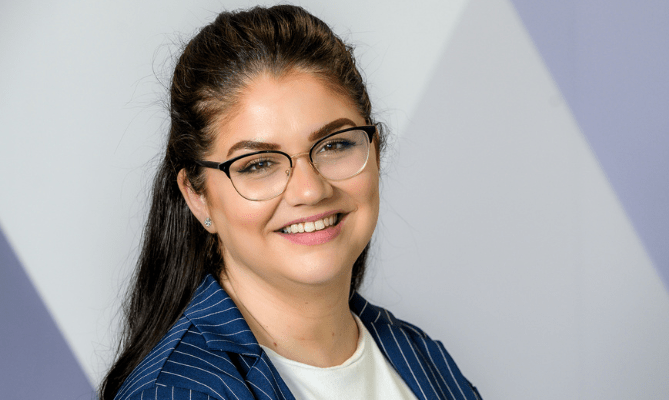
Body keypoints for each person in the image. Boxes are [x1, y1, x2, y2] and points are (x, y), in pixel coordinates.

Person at [100, 5, 481, 400]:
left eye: (335, 145)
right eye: (259, 164)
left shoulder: (424, 358)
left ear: (375, 152)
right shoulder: (176, 392)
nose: (310, 191)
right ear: (197, 197)